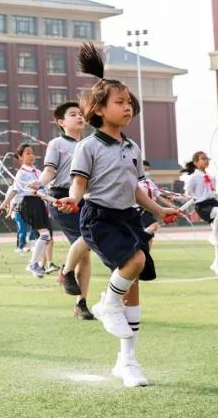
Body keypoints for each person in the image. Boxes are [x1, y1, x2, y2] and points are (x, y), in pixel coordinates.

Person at [57, 43, 179, 388]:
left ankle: (127, 362)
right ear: (98, 109)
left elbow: (135, 187)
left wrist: (157, 209)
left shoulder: (132, 147)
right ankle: (107, 303)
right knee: (135, 262)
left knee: (135, 285)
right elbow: (79, 183)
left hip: (128, 216)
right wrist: (72, 199)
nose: (127, 108)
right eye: (119, 103)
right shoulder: (89, 146)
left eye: (129, 103)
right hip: (99, 218)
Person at [32, 101, 95, 320]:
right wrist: (39, 183)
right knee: (87, 239)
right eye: (73, 114)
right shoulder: (56, 143)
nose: (79, 117)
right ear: (61, 122)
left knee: (85, 252)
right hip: (60, 197)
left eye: (81, 114)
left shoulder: (89, 144)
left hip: (84, 200)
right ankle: (65, 272)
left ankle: (81, 304)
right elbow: (50, 169)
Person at [0, 145, 53, 278]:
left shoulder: (39, 172)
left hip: (40, 203)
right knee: (44, 234)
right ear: (20, 157)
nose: (31, 156)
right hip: (29, 204)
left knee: (47, 237)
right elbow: (15, 190)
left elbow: (46, 187)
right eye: (28, 153)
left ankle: (36, 265)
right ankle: (33, 264)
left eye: (33, 153)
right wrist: (4, 205)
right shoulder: (21, 173)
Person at [183, 151, 218, 276]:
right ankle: (212, 235)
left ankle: (217, 264)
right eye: (203, 159)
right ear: (196, 162)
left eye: (207, 158)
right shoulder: (193, 177)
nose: (206, 161)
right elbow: (186, 195)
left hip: (213, 203)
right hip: (202, 206)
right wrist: (180, 202)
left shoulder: (211, 176)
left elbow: (211, 192)